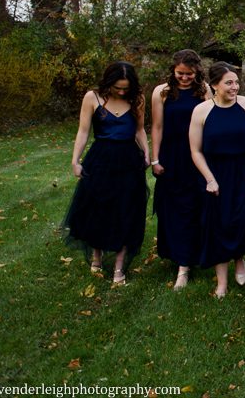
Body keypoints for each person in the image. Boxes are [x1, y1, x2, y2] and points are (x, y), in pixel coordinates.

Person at [65, 61, 150, 286]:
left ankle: (119, 268)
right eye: (117, 88)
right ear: (109, 82)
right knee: (98, 208)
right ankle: (97, 255)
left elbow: (140, 130)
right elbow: (83, 132)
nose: (122, 92)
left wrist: (147, 153)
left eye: (125, 88)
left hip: (129, 160)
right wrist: (75, 161)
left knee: (126, 210)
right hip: (100, 160)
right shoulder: (92, 97)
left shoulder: (137, 98)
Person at [188, 62, 245, 298]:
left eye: (236, 82)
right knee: (217, 226)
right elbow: (195, 150)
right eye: (229, 83)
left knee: (242, 220)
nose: (235, 87)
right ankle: (221, 282)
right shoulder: (201, 111)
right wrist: (210, 179)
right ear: (214, 85)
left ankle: (239, 257)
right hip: (215, 174)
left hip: (244, 171)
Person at [150, 50, 210, 290]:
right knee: (170, 208)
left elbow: (211, 122)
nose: (184, 78)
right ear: (173, 71)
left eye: (189, 74)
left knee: (191, 207)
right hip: (171, 155)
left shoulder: (204, 90)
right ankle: (176, 255)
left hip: (195, 155)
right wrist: (155, 159)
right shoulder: (161, 92)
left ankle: (186, 264)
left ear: (197, 72)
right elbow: (156, 126)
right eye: (180, 74)